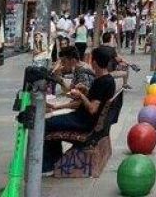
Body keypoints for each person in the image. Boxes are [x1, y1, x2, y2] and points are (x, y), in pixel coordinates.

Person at [42, 47, 116, 176]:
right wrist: (86, 92)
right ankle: (54, 160)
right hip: (85, 120)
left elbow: (93, 109)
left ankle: (48, 165)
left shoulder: (101, 82)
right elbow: (96, 100)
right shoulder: (108, 80)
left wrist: (81, 96)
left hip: (84, 122)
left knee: (46, 124)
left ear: (94, 62)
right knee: (52, 121)